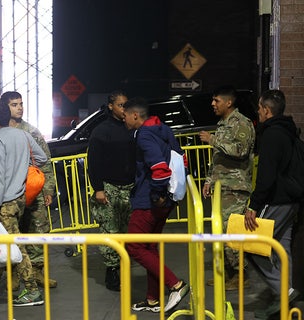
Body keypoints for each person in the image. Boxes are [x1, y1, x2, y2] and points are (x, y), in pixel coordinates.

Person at [0, 101, 47, 306]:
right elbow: (41, 158)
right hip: (21, 198)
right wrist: (21, 169)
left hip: (5, 202)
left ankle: (32, 291)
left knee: (15, 246)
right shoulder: (22, 134)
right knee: (4, 241)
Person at [122, 98, 189, 313]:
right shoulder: (164, 128)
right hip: (167, 198)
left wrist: (157, 194)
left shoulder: (144, 135)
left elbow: (160, 168)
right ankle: (152, 300)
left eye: (125, 115)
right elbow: (182, 160)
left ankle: (176, 285)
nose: (123, 119)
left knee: (134, 246)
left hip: (149, 199)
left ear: (135, 116)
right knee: (149, 247)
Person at [244, 89, 301, 319]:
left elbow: (266, 175)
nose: (258, 112)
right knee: (282, 247)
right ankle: (284, 302)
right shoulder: (290, 132)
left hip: (277, 200)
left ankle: (284, 291)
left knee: (252, 246)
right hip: (292, 201)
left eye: (259, 108)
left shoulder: (271, 135)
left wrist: (254, 205)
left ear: (267, 111)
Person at [199, 86, 255, 290]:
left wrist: (212, 139)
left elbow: (240, 151)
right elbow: (219, 158)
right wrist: (208, 180)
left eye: (216, 100)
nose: (213, 104)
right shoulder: (223, 124)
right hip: (223, 185)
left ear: (228, 102)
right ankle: (230, 274)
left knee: (231, 231)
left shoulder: (241, 123)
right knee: (221, 231)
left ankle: (241, 276)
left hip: (235, 187)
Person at [3, 91, 57, 289]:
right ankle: (14, 275)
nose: (19, 108)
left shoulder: (31, 131)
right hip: (10, 193)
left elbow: (45, 161)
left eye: (21, 104)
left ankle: (37, 272)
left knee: (37, 232)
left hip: (34, 191)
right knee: (13, 234)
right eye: (14, 104)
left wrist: (48, 190)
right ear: (5, 107)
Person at [86, 90, 135, 291]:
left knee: (128, 231)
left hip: (131, 188)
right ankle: (112, 271)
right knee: (110, 231)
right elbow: (93, 162)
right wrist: (98, 189)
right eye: (121, 105)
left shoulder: (132, 127)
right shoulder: (101, 131)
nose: (124, 109)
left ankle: (124, 266)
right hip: (109, 188)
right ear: (111, 106)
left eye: (126, 105)